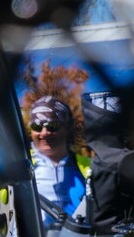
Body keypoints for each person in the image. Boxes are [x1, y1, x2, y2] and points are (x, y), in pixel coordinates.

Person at [26, 96, 89, 226]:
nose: (44, 133)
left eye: (53, 126)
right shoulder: (20, 165)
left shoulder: (89, 168)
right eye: (37, 126)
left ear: (67, 128)